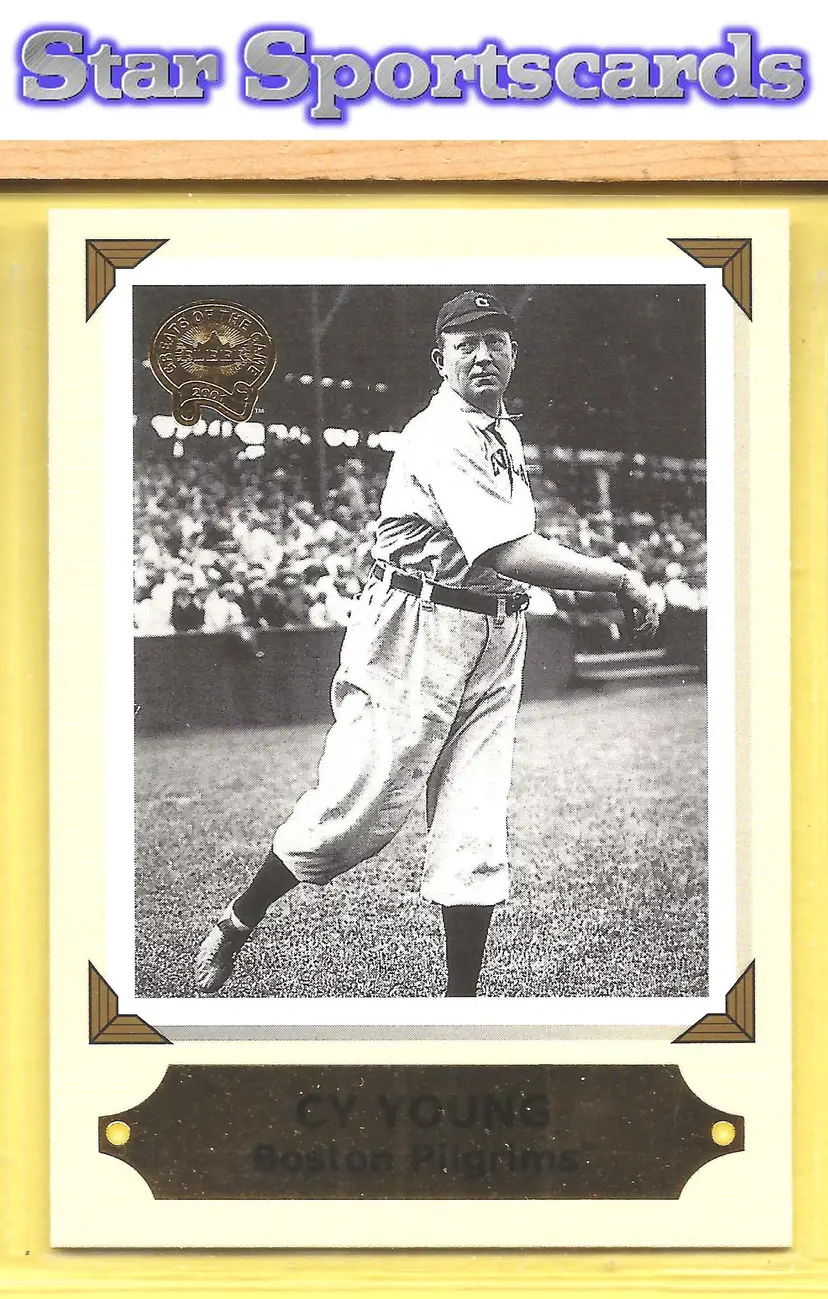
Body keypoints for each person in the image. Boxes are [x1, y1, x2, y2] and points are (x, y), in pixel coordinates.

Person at [194, 291, 659, 998]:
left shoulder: (502, 432)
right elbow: (505, 550)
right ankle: (237, 920)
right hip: (415, 626)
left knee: (475, 824)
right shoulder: (439, 432)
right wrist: (617, 577)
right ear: (440, 359)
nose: (482, 355)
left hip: (495, 631)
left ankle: (462, 1007)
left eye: (495, 341)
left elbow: (508, 555)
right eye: (465, 344)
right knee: (353, 807)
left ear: (513, 354)